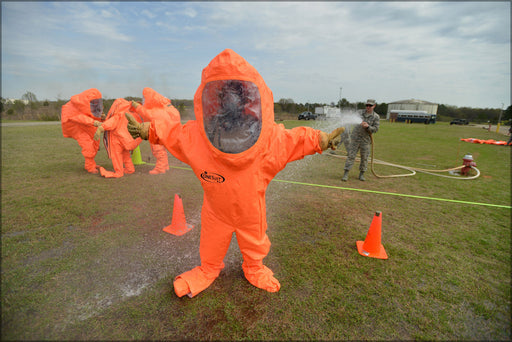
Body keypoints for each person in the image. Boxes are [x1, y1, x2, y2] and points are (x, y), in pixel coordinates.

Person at [125, 49, 344, 298]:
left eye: (235, 94)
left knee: (255, 242)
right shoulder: (199, 136)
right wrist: (148, 129)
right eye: (224, 94)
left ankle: (254, 268)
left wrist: (321, 139)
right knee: (211, 244)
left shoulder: (268, 139)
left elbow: (293, 139)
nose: (229, 101)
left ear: (246, 97)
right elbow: (174, 134)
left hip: (251, 211)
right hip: (215, 211)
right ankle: (208, 269)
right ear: (215, 97)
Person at [131, 88, 180, 174]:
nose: (143, 99)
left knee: (157, 149)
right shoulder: (160, 104)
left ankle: (160, 168)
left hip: (159, 129)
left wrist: (137, 107)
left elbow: (148, 114)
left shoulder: (157, 107)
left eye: (144, 97)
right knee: (160, 148)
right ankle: (164, 165)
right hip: (164, 128)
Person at [94, 98, 142, 178]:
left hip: (117, 140)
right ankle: (130, 169)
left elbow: (110, 123)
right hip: (126, 141)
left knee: (117, 156)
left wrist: (100, 128)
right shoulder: (130, 115)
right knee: (126, 155)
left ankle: (119, 171)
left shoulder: (118, 115)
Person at [61, 88, 105, 173]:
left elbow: (92, 116)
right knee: (88, 145)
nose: (96, 104)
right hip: (77, 128)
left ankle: (92, 163)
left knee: (95, 143)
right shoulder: (75, 108)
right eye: (94, 102)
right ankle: (89, 167)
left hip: (86, 126)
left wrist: (102, 119)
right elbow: (80, 118)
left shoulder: (90, 106)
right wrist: (94, 122)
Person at [341, 99, 380, 181]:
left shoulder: (376, 117)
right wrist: (360, 123)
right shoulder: (359, 113)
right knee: (351, 156)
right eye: (367, 105)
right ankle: (346, 173)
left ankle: (361, 174)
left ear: (374, 106)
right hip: (355, 138)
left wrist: (368, 127)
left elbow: (376, 129)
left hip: (365, 140)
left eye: (370, 105)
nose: (368, 107)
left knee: (364, 158)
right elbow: (352, 120)